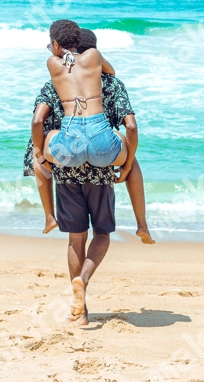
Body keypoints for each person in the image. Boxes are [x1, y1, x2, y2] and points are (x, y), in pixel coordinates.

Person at [23, 27, 154, 245]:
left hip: (65, 161)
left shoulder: (53, 84)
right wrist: (127, 165)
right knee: (130, 152)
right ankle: (141, 223)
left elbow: (37, 122)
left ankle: (49, 216)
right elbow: (130, 126)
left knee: (38, 146)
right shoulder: (113, 85)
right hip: (102, 159)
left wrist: (44, 159)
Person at [43, 19, 128, 171]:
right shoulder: (93, 55)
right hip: (102, 144)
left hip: (69, 149)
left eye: (50, 46)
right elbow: (111, 72)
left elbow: (37, 121)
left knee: (47, 138)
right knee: (123, 141)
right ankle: (127, 171)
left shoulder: (52, 63)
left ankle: (43, 168)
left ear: (55, 44)